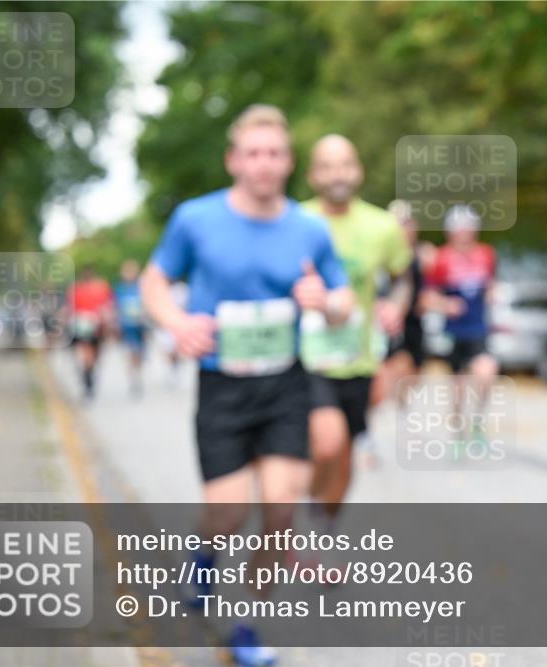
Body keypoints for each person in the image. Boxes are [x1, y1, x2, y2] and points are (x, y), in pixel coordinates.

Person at [140, 104, 352, 666]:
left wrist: (326, 303)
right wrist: (177, 323)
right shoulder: (195, 219)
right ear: (234, 160)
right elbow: (155, 280)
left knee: (280, 513)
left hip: (286, 383)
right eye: (253, 153)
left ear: (289, 163)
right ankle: (203, 554)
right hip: (222, 387)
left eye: (275, 153)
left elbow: (343, 299)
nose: (264, 163)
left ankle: (246, 625)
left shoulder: (310, 229)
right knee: (228, 514)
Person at [301, 135, 413, 522]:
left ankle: (321, 522)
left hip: (358, 358)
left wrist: (394, 306)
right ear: (313, 174)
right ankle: (304, 505)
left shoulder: (382, 226)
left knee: (344, 456)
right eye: (328, 165)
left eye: (345, 164)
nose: (338, 174)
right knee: (327, 443)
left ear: (359, 170)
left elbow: (402, 277)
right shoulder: (296, 221)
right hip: (308, 358)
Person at [423, 205, 499, 456]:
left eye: (468, 229)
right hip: (453, 331)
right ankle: (458, 431)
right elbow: (427, 298)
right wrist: (445, 304)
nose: (464, 234)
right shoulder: (441, 259)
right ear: (450, 233)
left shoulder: (486, 255)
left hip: (478, 328)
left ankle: (477, 421)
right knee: (458, 387)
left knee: (486, 373)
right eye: (459, 229)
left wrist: (492, 293)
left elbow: (491, 284)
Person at [370, 199, 436, 406]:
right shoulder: (380, 252)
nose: (402, 228)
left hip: (413, 320)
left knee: (414, 370)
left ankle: (399, 401)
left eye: (406, 222)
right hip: (387, 321)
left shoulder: (421, 254)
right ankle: (386, 404)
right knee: (390, 366)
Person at [68, 265, 114, 401]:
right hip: (85, 325)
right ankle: (88, 380)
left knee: (94, 355)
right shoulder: (76, 289)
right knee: (88, 354)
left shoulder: (101, 287)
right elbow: (71, 308)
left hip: (97, 326)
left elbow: (108, 306)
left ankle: (88, 375)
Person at [114, 259, 147, 396]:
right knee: (129, 353)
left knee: (139, 353)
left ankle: (137, 374)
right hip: (126, 327)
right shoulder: (119, 289)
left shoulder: (141, 288)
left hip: (140, 326)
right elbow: (115, 308)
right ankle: (132, 378)